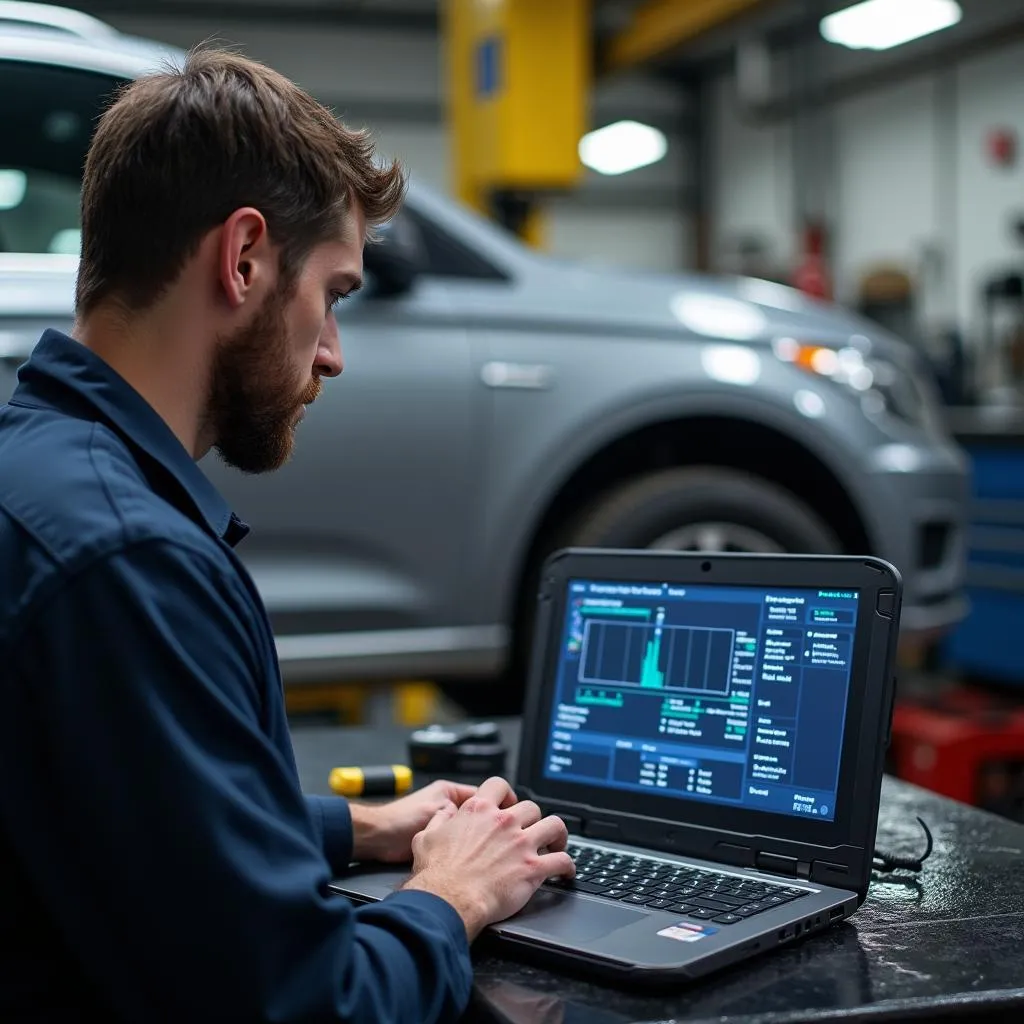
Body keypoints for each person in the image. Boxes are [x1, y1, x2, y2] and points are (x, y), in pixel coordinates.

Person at [0, 48, 574, 1023]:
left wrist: (361, 827)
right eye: (335, 294)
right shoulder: (130, 560)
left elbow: (135, 810)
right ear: (244, 258)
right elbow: (306, 1003)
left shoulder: (38, 470)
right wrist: (454, 893)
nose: (333, 354)